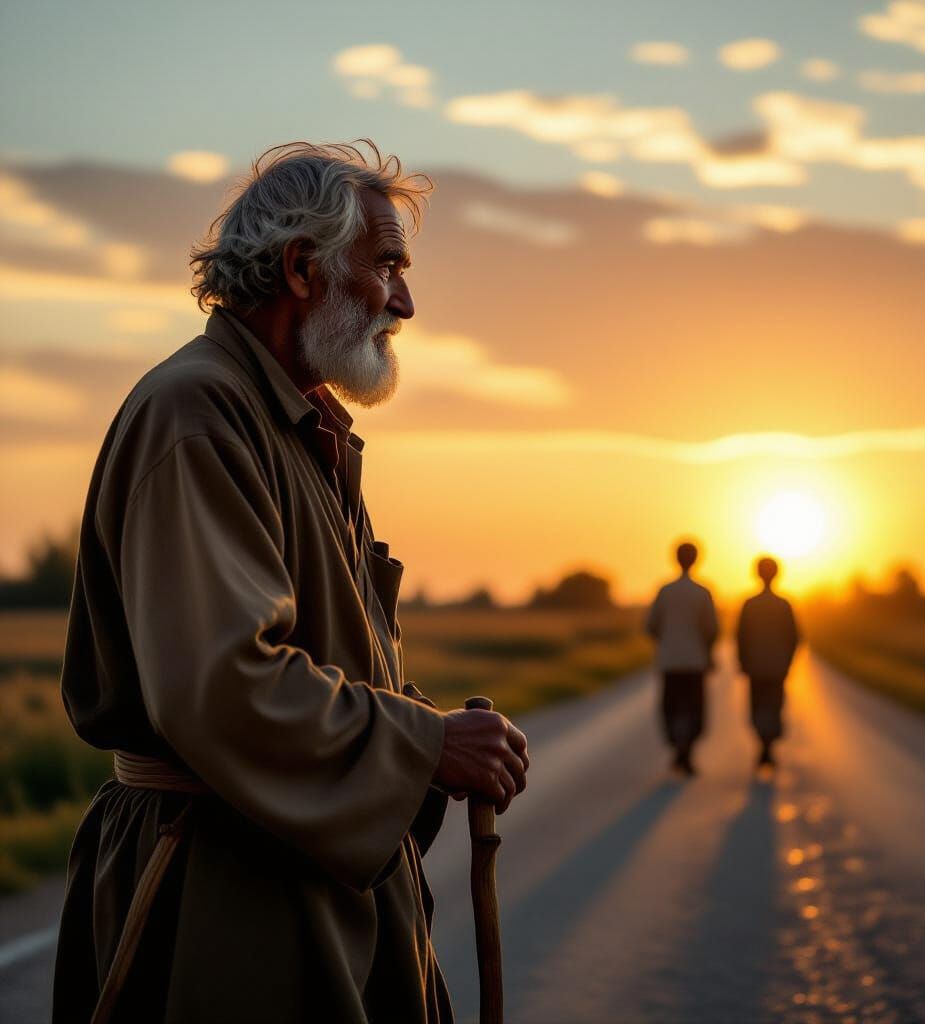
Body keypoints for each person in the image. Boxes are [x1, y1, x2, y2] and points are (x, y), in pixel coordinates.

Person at [53, 141, 529, 1024]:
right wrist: (424, 746)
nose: (405, 303)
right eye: (386, 266)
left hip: (295, 869)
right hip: (220, 890)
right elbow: (225, 683)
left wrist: (433, 736)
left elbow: (330, 653)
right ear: (303, 268)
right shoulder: (197, 412)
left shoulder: (296, 421)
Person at [645, 541, 719, 774]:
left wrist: (666, 643)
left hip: (670, 662)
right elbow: (711, 629)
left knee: (672, 708)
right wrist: (707, 651)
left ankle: (678, 749)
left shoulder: (665, 591)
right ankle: (686, 751)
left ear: (675, 558)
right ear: (696, 559)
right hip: (695, 662)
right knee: (694, 709)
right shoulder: (702, 592)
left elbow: (651, 626)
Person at [736, 556, 800, 769]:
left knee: (758, 707)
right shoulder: (783, 605)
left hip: (756, 666)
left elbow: (741, 637)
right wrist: (788, 662)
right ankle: (768, 746)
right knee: (774, 706)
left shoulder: (750, 604)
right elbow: (794, 637)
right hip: (776, 666)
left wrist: (743, 661)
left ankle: (764, 746)